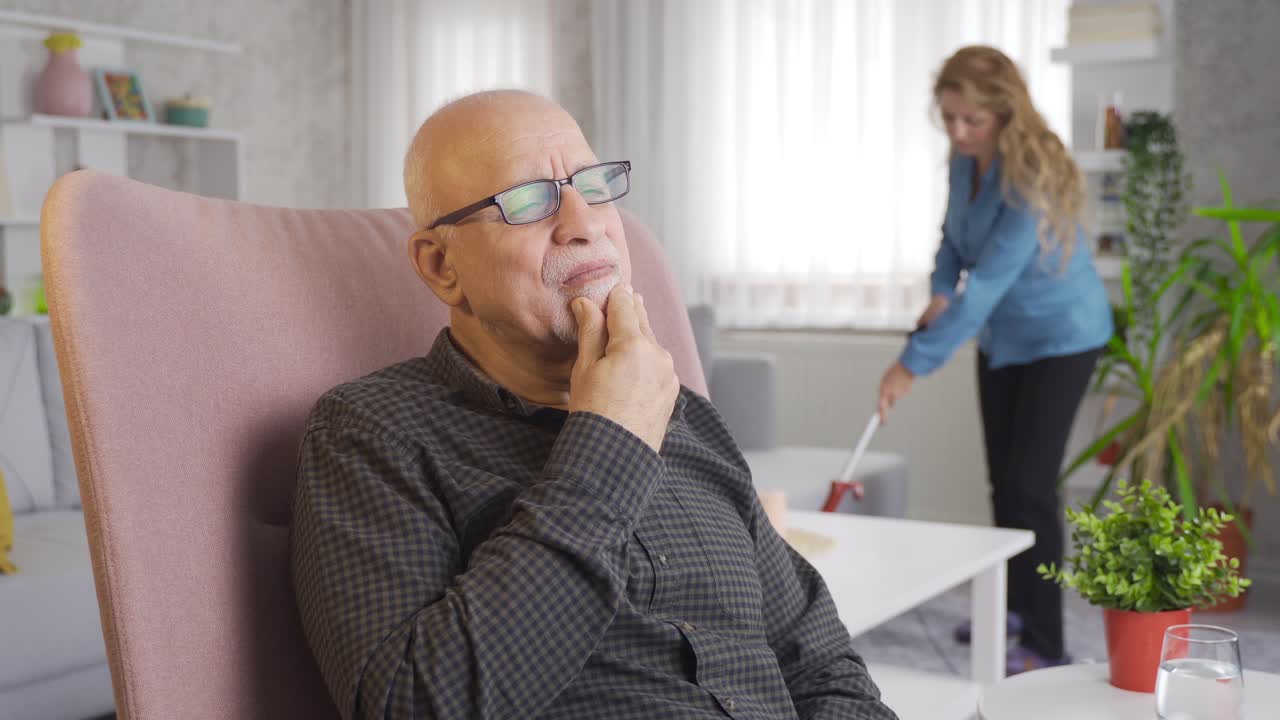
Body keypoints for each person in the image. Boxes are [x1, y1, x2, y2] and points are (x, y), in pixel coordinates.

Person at [291, 89, 896, 720]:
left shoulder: (686, 416)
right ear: (441, 265)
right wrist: (613, 437)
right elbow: (414, 706)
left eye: (594, 184)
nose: (587, 224)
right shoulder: (370, 434)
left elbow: (822, 665)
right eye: (527, 201)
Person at [876, 46, 1113, 675]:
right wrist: (936, 287)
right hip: (1005, 338)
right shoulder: (964, 160)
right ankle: (1009, 606)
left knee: (1031, 487)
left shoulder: (1030, 178)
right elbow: (953, 242)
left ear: (1005, 114)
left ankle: (1045, 641)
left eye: (971, 121)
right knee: (1003, 482)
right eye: (949, 118)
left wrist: (910, 367)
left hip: (1062, 336)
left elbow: (984, 287)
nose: (957, 132)